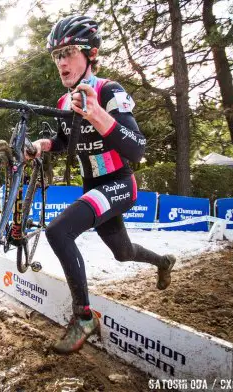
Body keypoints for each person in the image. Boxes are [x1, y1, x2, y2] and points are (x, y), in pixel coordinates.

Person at [26, 15, 175, 354]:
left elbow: (137, 148)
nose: (61, 62)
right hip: (93, 186)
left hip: (119, 183)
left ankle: (83, 316)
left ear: (91, 54)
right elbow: (65, 142)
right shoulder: (65, 101)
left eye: (69, 52)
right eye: (56, 55)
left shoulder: (109, 90)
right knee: (122, 253)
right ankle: (163, 262)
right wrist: (41, 146)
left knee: (57, 231)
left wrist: (97, 114)